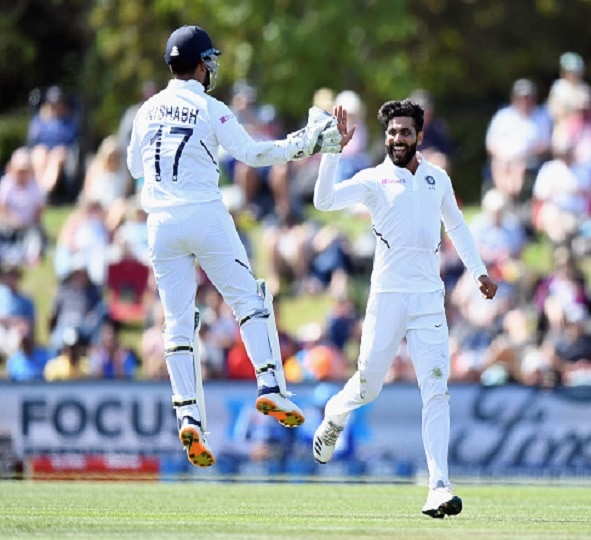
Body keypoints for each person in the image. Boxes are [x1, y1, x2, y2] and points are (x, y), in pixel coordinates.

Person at [125, 25, 342, 468]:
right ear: (202, 64)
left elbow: (133, 167)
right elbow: (254, 155)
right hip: (204, 214)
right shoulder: (209, 107)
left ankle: (188, 415)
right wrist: (306, 142)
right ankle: (270, 387)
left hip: (160, 223)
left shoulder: (146, 111)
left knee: (177, 323)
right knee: (251, 300)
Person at [311, 99, 498, 518]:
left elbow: (458, 228)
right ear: (386, 136)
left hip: (429, 301)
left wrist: (479, 272)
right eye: (392, 132)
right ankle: (336, 412)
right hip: (388, 298)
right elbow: (324, 201)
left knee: (436, 391)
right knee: (369, 386)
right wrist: (332, 152)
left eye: (405, 132)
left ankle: (438, 486)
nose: (398, 139)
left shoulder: (437, 179)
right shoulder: (374, 180)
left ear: (419, 135)